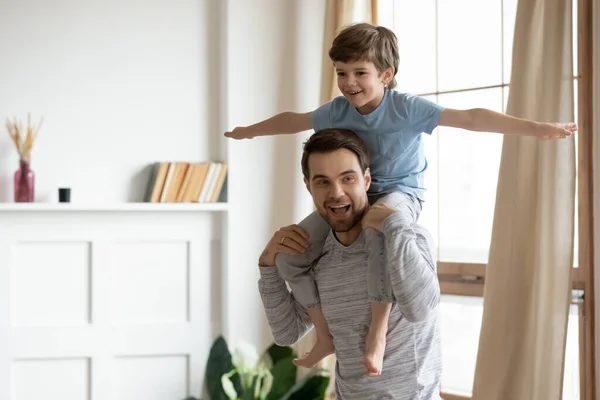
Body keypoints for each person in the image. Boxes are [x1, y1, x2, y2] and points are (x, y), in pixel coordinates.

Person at [227, 22, 576, 376]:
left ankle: (377, 334)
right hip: (355, 194)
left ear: (386, 74)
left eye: (360, 72)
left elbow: (471, 118)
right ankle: (324, 334)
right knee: (293, 252)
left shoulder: (406, 109)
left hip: (400, 194)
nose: (349, 82)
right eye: (341, 72)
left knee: (379, 231)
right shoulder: (337, 110)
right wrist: (249, 132)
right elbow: (295, 120)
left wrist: (537, 129)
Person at [258, 128, 441, 399]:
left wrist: (393, 222)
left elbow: (420, 309)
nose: (336, 192)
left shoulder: (408, 238)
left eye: (348, 178)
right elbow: (288, 332)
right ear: (308, 185)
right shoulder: (319, 260)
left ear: (366, 180)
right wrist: (267, 266)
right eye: (322, 182)